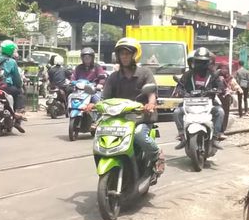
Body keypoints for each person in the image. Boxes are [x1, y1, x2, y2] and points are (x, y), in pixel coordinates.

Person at [96, 37, 164, 181]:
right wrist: (92, 106)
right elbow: (104, 98)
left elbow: (152, 93)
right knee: (101, 134)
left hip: (141, 118)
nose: (124, 57)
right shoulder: (114, 77)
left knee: (139, 135)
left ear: (135, 55)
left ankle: (157, 155)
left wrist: (150, 104)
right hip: (120, 118)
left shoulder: (145, 73)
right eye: (122, 54)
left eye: (127, 53)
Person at [173, 47, 226, 149]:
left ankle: (215, 137)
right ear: (194, 62)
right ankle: (182, 135)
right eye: (198, 62)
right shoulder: (188, 74)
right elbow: (180, 86)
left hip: (208, 102)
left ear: (208, 62)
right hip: (189, 102)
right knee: (176, 112)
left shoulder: (212, 75)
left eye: (203, 62)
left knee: (220, 112)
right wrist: (180, 92)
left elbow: (220, 86)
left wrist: (217, 90)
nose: (200, 65)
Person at [0, 40, 26, 118]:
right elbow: (17, 78)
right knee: (19, 92)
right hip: (6, 87)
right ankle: (16, 112)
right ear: (12, 51)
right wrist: (19, 85)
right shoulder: (12, 62)